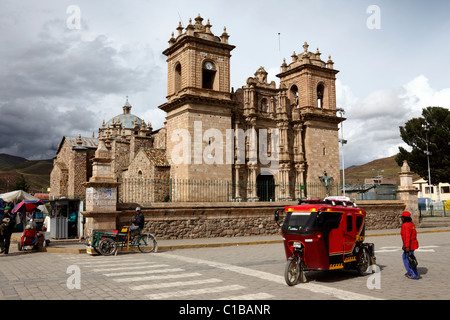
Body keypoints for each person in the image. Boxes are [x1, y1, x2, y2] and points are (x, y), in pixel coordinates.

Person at [400, 211, 419, 280]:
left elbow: (406, 236)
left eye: (402, 217)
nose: (401, 218)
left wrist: (406, 246)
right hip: (413, 244)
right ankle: (411, 272)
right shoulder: (412, 224)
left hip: (409, 246)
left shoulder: (405, 225)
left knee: (408, 259)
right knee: (410, 259)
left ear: (404, 218)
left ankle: (413, 274)